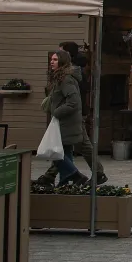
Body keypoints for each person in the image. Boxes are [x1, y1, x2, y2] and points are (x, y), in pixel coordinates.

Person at [42, 49, 103, 186]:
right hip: (63, 120)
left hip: (67, 121)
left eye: (55, 59)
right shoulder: (59, 77)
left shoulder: (66, 79)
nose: (52, 62)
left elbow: (73, 102)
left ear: (62, 62)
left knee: (56, 151)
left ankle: (75, 175)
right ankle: (64, 180)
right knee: (64, 149)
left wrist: (56, 112)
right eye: (51, 59)